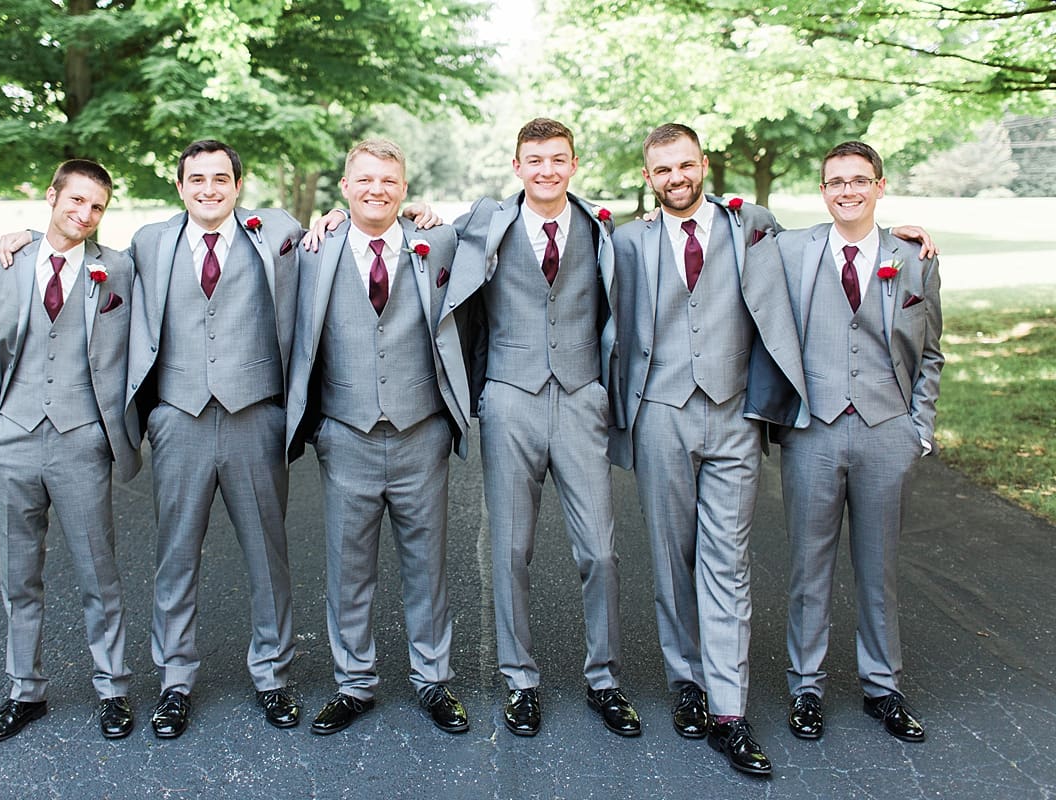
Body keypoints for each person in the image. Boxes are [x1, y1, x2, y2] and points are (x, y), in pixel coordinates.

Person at [124, 140, 348, 738]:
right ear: (179, 186)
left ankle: (273, 676)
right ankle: (175, 681)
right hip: (178, 416)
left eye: (220, 178)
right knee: (175, 556)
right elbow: (83, 263)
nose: (209, 188)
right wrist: (21, 238)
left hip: (256, 416)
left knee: (266, 555)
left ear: (238, 185)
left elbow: (350, 227)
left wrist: (387, 214)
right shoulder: (149, 243)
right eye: (196, 178)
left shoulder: (276, 231)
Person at [609, 123, 807, 776]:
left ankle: (730, 709)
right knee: (672, 557)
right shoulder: (629, 242)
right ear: (648, 177)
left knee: (727, 561)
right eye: (662, 170)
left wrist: (907, 242)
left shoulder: (752, 225)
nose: (676, 178)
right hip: (660, 412)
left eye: (685, 165)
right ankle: (685, 681)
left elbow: (824, 251)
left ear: (703, 165)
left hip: (733, 414)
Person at [437, 118, 641, 739]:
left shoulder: (603, 228)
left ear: (574, 164)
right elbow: (416, 234)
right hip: (509, 396)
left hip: (582, 398)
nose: (547, 170)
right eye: (535, 160)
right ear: (518, 166)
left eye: (558, 159)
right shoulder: (485, 221)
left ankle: (603, 678)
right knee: (511, 550)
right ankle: (519, 680)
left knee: (600, 550)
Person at [285, 139, 472, 735]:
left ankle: (433, 679)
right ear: (344, 186)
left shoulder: (438, 242)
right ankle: (354, 683)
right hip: (346, 431)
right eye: (364, 180)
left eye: (389, 181)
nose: (377, 190)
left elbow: (510, 220)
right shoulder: (314, 249)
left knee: (427, 564)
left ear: (405, 188)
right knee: (349, 566)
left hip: (422, 430)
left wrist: (650, 214)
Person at [775, 141, 942, 745]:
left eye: (858, 181)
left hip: (887, 430)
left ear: (879, 185)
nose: (846, 191)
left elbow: (932, 354)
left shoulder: (914, 259)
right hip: (812, 431)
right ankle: (806, 688)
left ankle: (883, 687)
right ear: (822, 190)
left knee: (880, 568)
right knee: (808, 567)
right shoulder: (793, 249)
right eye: (834, 182)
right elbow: (724, 225)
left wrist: (917, 430)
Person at [0, 159, 139, 742]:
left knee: (99, 571)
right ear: (52, 197)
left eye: (97, 207)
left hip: (82, 440)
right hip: (13, 437)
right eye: (75, 201)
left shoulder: (118, 269)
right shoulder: (7, 262)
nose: (85, 215)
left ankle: (114, 689)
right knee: (20, 575)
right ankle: (26, 692)